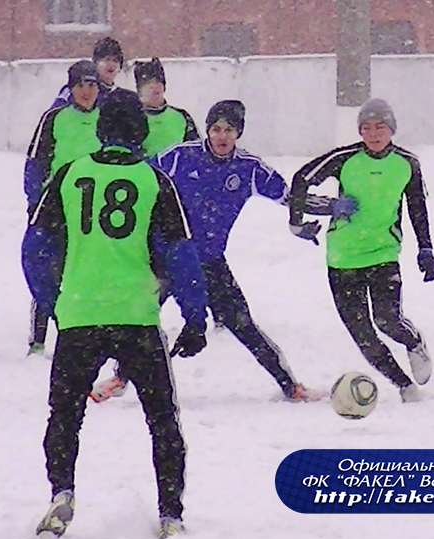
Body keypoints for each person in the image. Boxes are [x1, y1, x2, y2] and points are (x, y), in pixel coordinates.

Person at [25, 90, 208, 539]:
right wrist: (195, 317)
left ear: (101, 129)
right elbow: (182, 255)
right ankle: (171, 514)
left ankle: (62, 491)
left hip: (80, 313)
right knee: (162, 419)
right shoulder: (154, 181)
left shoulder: (70, 175)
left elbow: (34, 248)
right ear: (140, 132)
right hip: (136, 315)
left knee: (64, 414)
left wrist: (52, 302)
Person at [90, 100, 324, 403]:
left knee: (243, 325)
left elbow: (290, 198)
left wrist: (329, 209)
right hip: (168, 256)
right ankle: (120, 378)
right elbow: (138, 180)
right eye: (216, 129)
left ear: (238, 133)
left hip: (210, 262)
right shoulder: (179, 157)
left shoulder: (250, 168)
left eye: (229, 130)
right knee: (138, 318)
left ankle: (291, 386)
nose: (221, 136)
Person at [288, 98, 434, 403]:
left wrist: (426, 249)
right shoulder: (344, 158)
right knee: (363, 334)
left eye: (380, 127)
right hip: (342, 257)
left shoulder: (407, 163)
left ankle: (414, 341)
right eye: (366, 128)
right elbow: (300, 180)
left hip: (383, 254)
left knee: (387, 320)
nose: (373, 134)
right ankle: (404, 386)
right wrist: (302, 220)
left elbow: (417, 207)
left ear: (392, 129)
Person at [22, 60, 102, 356]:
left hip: (96, 211)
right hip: (58, 209)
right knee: (48, 270)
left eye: (91, 85)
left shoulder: (107, 117)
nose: (86, 91)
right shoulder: (54, 118)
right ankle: (39, 339)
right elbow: (35, 162)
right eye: (80, 85)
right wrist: (35, 202)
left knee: (89, 273)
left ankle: (88, 335)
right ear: (70, 88)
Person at [133, 57, 199, 157]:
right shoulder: (131, 117)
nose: (154, 86)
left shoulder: (181, 116)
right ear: (139, 89)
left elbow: (196, 151)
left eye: (158, 81)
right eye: (147, 83)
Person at [50, 36, 132, 110]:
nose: (111, 64)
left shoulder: (124, 97)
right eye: (106, 59)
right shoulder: (78, 90)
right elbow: (53, 114)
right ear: (96, 63)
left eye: (115, 60)